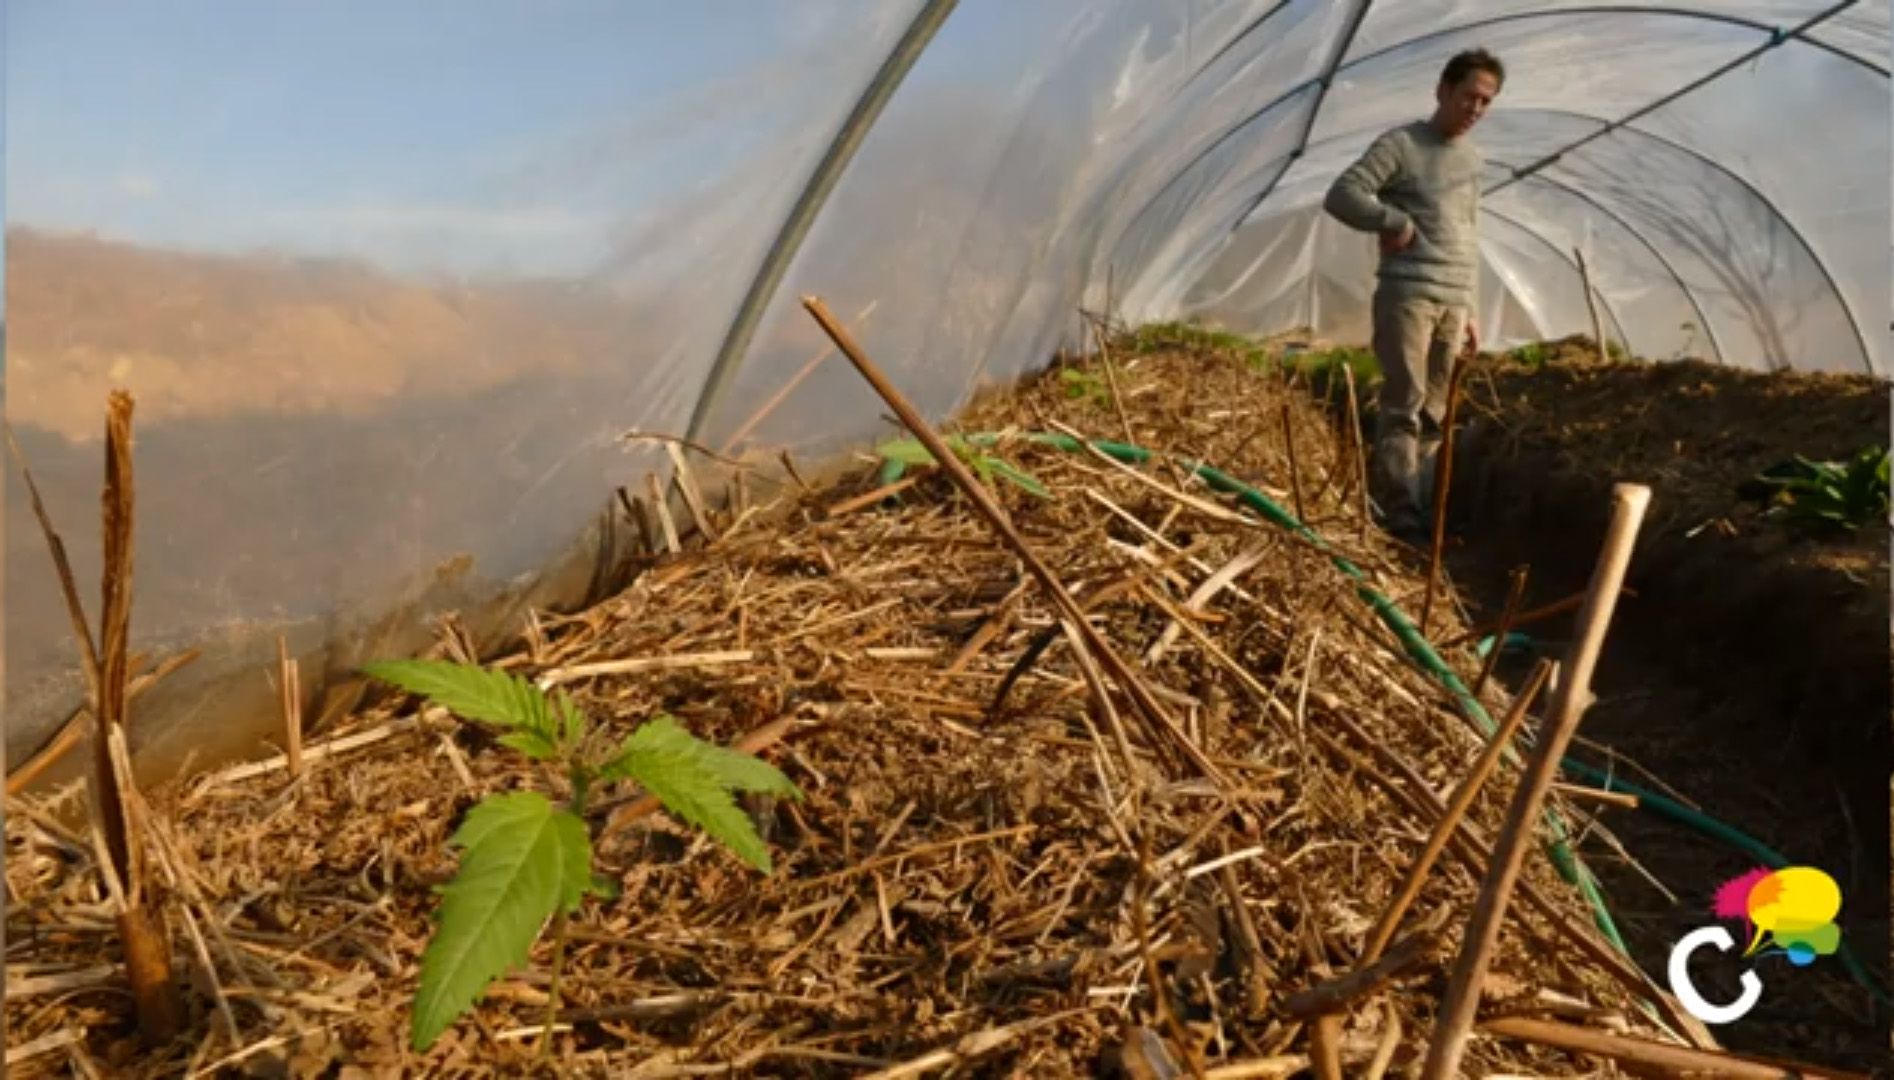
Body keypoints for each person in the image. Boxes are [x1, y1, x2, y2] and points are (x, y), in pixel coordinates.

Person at [1323, 48, 1504, 544]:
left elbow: (1469, 231)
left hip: (1451, 298)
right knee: (1404, 402)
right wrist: (1393, 220)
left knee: (1436, 413)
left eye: (1486, 102)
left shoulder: (1472, 159)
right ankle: (1401, 515)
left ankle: (1423, 509)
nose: (1476, 109)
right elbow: (1343, 193)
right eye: (1469, 96)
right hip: (1408, 294)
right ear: (1443, 90)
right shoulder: (1402, 145)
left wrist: (1469, 306)